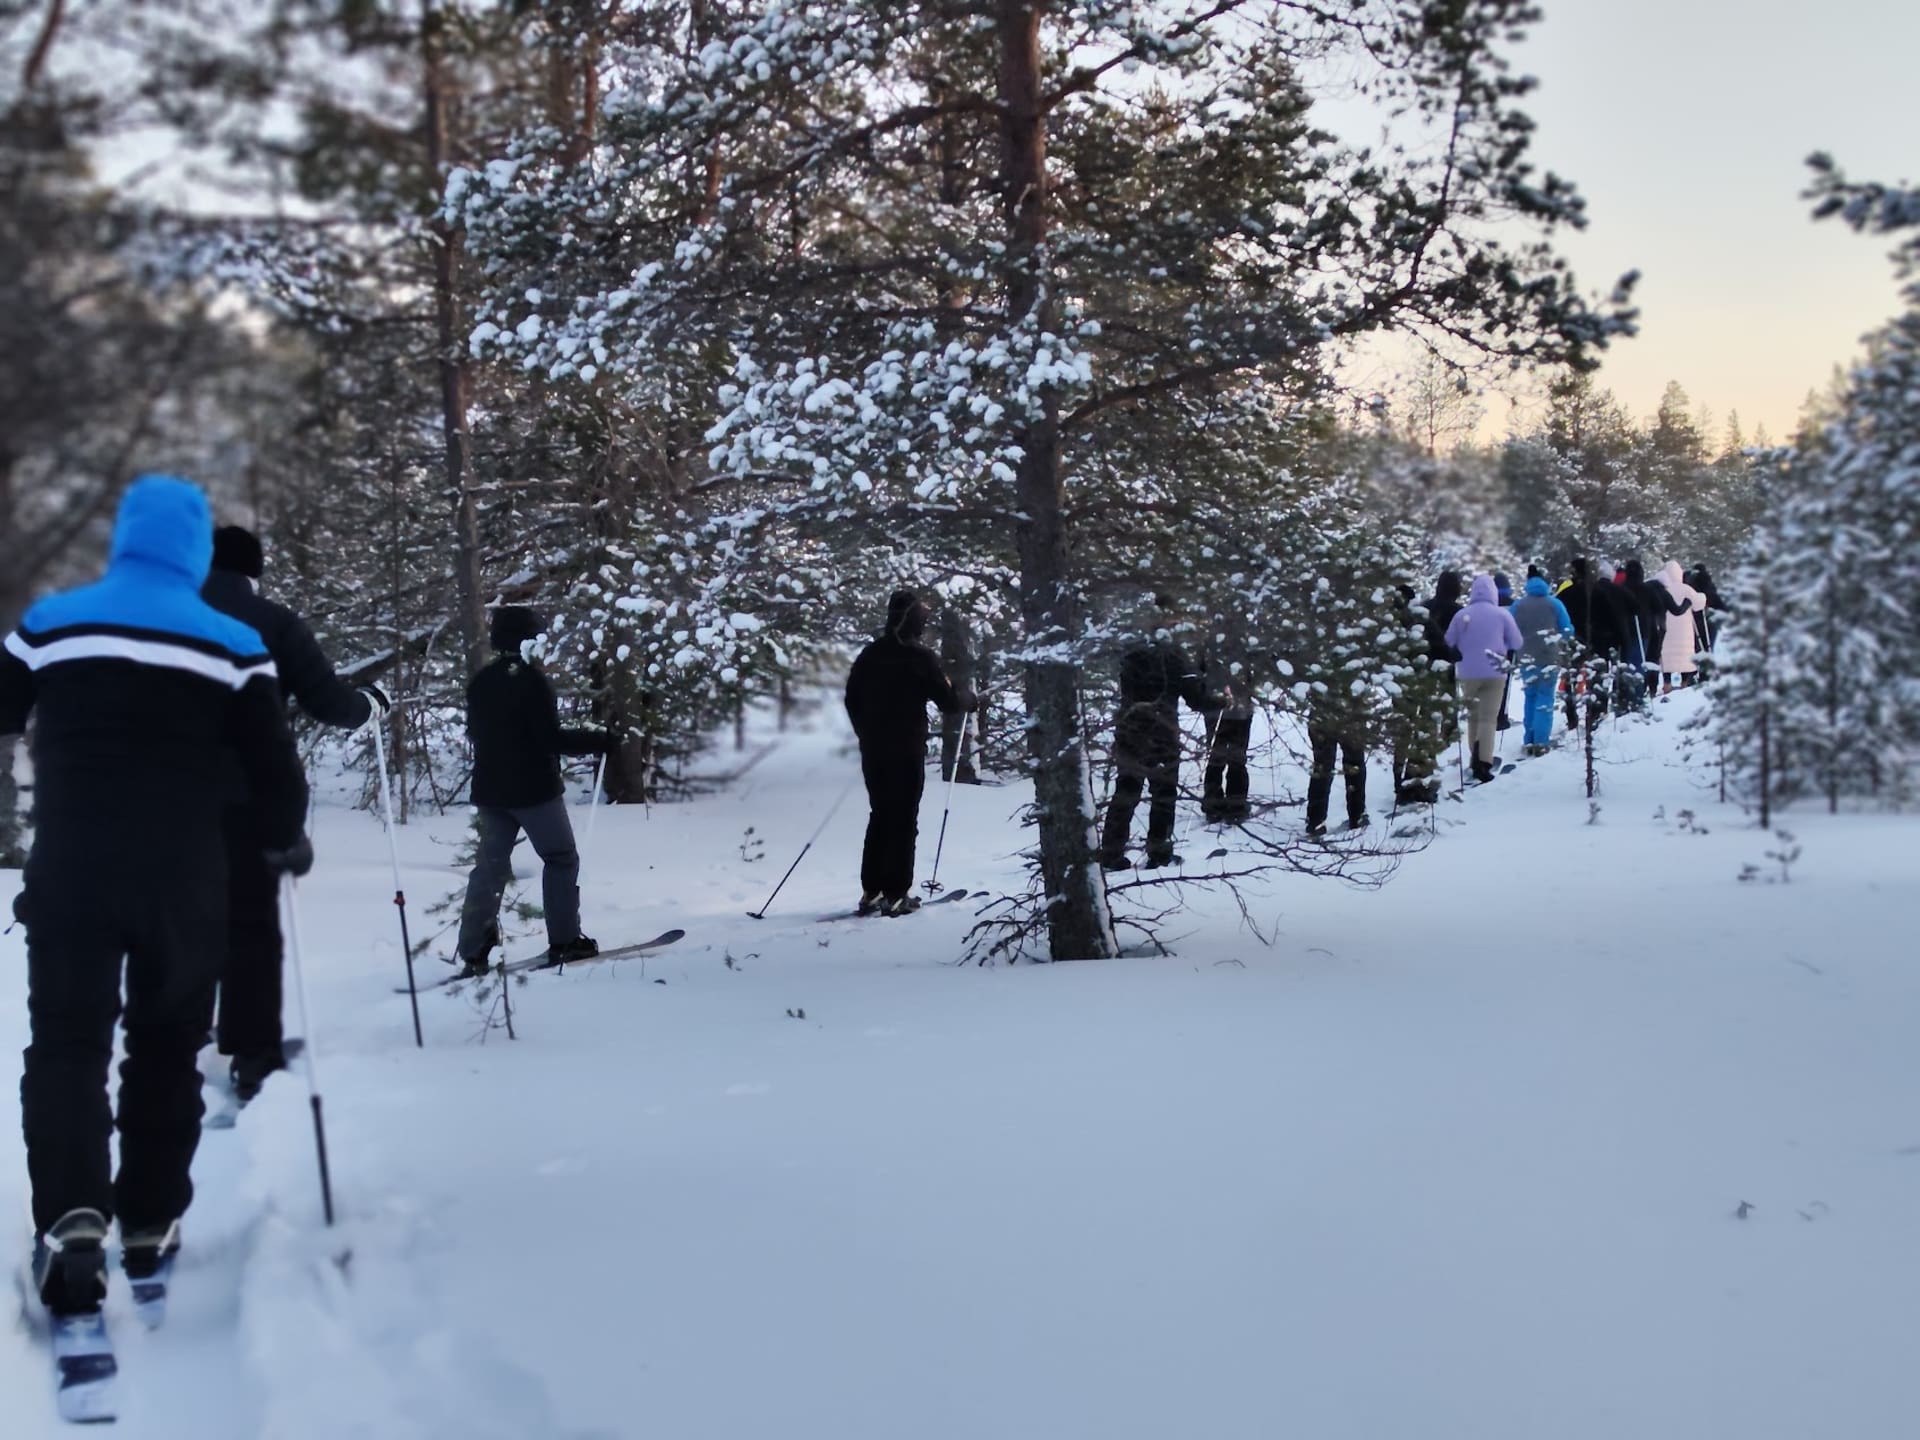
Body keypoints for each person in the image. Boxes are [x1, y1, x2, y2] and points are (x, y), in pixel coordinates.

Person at [0, 476, 310, 1320]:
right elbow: (276, 769)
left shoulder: (50, 623)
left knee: (66, 1045)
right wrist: (283, 838)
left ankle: (71, 1219)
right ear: (195, 549)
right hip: (184, 881)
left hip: (71, 874)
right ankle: (148, 1220)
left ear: (123, 538)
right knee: (168, 1045)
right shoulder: (230, 642)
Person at [201, 525, 386, 1102]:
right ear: (253, 570)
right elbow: (327, 701)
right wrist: (369, 707)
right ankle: (252, 1053)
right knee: (250, 926)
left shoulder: (164, 620)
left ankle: (171, 1039)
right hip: (252, 797)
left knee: (178, 918)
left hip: (171, 799)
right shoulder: (272, 621)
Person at [455, 606, 612, 975]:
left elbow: (474, 733)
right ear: (527, 640)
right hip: (533, 791)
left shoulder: (482, 681)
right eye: (537, 636)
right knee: (560, 857)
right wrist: (599, 740)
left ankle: (474, 949)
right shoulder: (531, 681)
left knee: (490, 868)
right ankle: (565, 941)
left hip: (491, 791)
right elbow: (549, 738)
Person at [845, 590, 971, 914]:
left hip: (873, 752)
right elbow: (947, 702)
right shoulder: (920, 658)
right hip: (905, 751)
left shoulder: (870, 654)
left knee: (880, 815)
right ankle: (896, 893)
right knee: (902, 819)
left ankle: (871, 891)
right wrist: (967, 700)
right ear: (915, 620)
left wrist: (865, 733)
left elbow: (851, 699)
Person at [1098, 600, 1215, 870]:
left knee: (1126, 790)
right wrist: (1221, 700)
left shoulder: (1130, 651)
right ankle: (1159, 852)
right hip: (1161, 733)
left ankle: (1111, 852)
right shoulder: (1172, 655)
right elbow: (1196, 698)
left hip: (1129, 729)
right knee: (1163, 793)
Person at [1443, 575, 1523, 783]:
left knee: (1473, 717)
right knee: (1488, 719)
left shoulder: (1461, 615)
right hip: (1495, 671)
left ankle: (1474, 756)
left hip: (1468, 672)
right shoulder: (1501, 615)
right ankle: (1484, 761)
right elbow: (1517, 641)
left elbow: (1448, 641)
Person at [1508, 573, 1574, 756]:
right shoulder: (1554, 604)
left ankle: (1528, 738)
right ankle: (1541, 741)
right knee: (1545, 697)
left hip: (1526, 657)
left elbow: (1509, 628)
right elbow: (1567, 629)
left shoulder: (1518, 605)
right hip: (1549, 657)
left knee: (1530, 696)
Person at [937, 603, 981, 785]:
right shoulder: (954, 636)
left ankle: (957, 770)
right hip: (956, 689)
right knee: (956, 731)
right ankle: (958, 771)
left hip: (954, 688)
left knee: (954, 731)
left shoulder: (952, 637)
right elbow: (960, 662)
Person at [1654, 561, 1706, 691]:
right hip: (1684, 630)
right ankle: (1684, 682)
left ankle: (1667, 683)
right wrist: (1702, 597)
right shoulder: (1686, 589)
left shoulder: (1664, 590)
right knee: (1685, 656)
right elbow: (1698, 605)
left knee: (1667, 655)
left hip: (1666, 629)